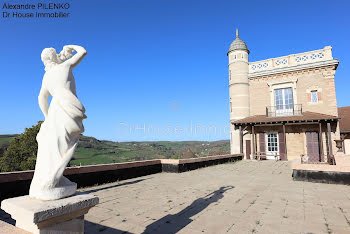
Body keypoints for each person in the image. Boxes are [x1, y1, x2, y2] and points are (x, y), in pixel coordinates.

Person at [29, 45, 87, 200]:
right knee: (64, 144)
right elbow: (82, 52)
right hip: (67, 108)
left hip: (55, 109)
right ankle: (53, 180)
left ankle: (54, 178)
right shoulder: (65, 66)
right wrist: (70, 46)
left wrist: (47, 117)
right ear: (54, 57)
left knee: (53, 145)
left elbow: (41, 98)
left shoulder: (46, 77)